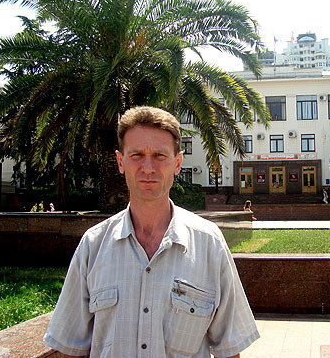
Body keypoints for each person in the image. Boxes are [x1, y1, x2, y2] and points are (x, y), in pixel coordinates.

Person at [44, 106, 259, 358]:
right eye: (136, 155)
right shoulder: (93, 245)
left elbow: (229, 349)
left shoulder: (209, 244)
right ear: (120, 162)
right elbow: (71, 347)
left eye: (159, 155)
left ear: (177, 163)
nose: (148, 167)